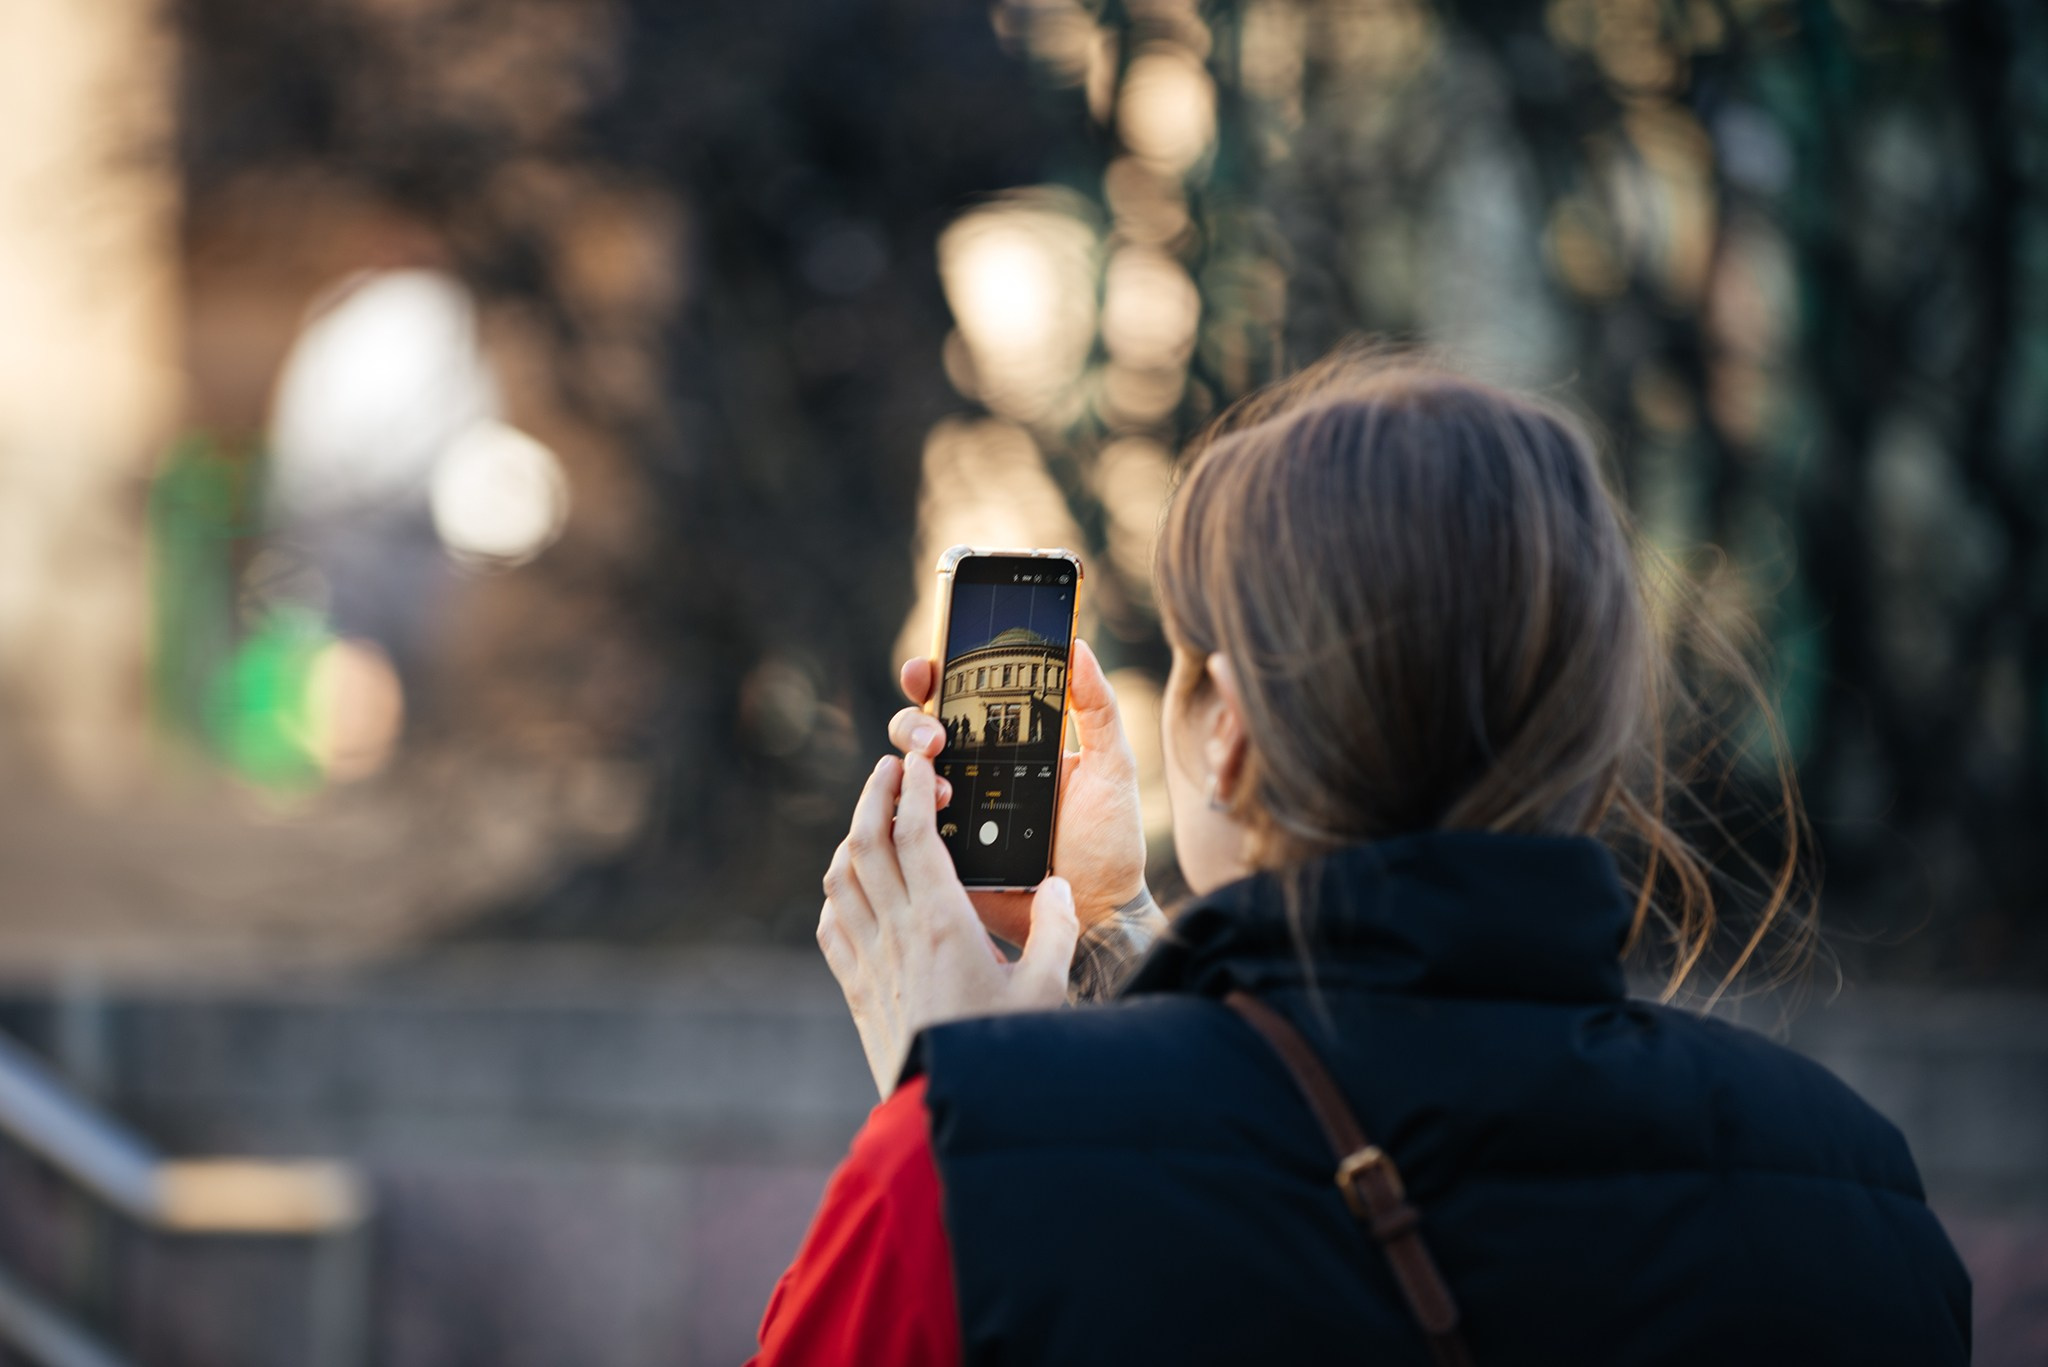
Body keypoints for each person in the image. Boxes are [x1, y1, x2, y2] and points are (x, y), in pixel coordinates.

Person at [749, 351, 1971, 1365]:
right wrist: (1116, 931)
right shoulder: (1856, 1186)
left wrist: (956, 1100)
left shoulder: (970, 1164)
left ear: (1221, 723)